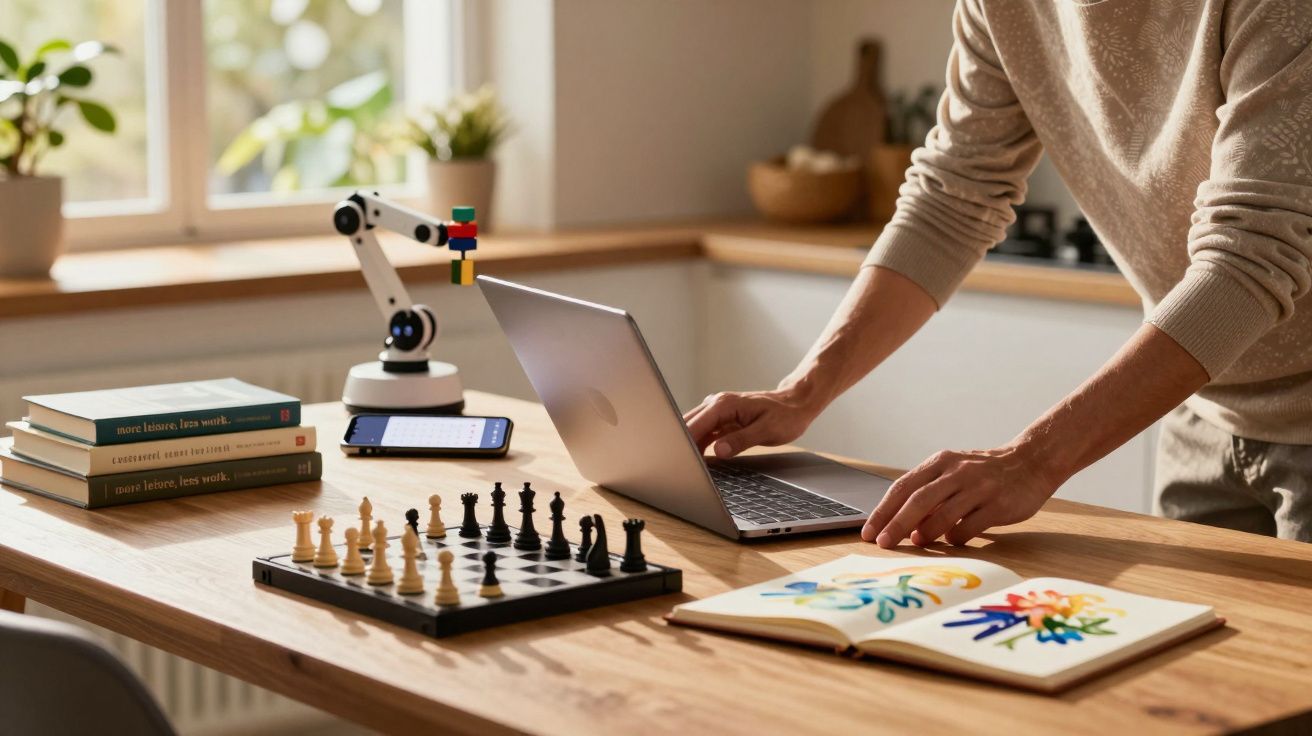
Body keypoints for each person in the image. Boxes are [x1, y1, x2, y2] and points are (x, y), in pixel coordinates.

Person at [685, 0, 1312, 545]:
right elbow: (952, 199)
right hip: (1199, 407)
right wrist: (804, 390)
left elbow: (1250, 257)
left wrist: (1033, 460)